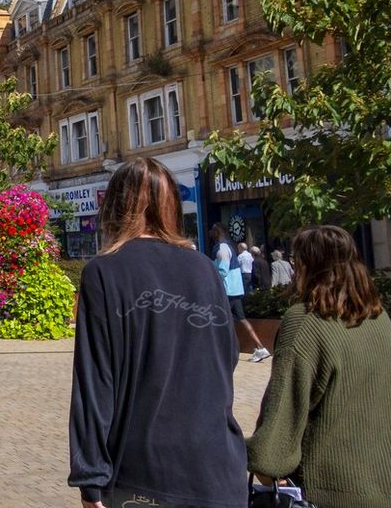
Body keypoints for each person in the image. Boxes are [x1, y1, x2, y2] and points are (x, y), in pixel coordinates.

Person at [69, 157, 247, 508]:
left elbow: (95, 382)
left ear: (114, 208)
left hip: (147, 474)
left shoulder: (104, 272)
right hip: (219, 468)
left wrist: (90, 481)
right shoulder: (205, 269)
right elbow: (227, 357)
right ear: (171, 208)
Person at [247, 225, 391, 507]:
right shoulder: (380, 320)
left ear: (306, 266)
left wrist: (257, 458)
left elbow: (280, 420)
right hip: (381, 485)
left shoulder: (304, 323)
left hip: (327, 491)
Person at [211, 223, 270, 363]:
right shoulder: (229, 246)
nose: (210, 232)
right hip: (235, 289)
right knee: (240, 319)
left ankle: (224, 351)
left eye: (213, 230)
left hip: (227, 290)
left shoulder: (222, 248)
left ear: (219, 231)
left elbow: (223, 271)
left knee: (217, 320)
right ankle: (260, 347)